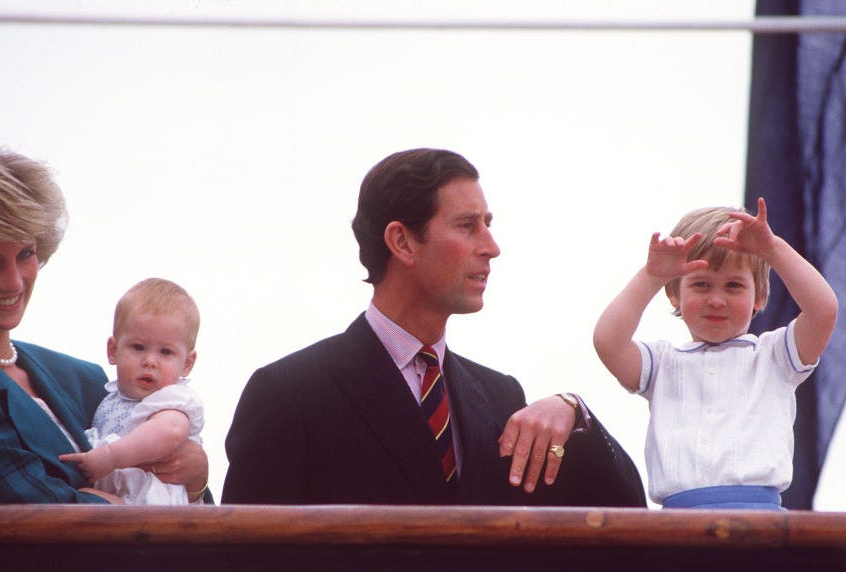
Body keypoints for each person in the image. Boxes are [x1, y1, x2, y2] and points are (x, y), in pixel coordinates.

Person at [222, 147, 645, 506]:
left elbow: (627, 515)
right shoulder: (288, 392)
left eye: (488, 224)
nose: (492, 247)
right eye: (467, 225)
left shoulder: (502, 397)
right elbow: (243, 571)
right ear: (402, 241)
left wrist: (574, 410)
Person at [0, 143, 209, 504]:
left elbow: (173, 503)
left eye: (25, 254)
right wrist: (115, 510)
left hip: (139, 559)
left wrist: (195, 480)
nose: (14, 282)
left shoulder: (85, 379)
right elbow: (18, 499)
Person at [593, 198, 838, 510]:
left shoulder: (774, 356)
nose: (717, 300)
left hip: (759, 520)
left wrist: (772, 249)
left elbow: (824, 311)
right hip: (676, 525)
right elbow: (608, 341)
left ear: (759, 297)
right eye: (702, 285)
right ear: (674, 295)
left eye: (734, 286)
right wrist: (652, 275)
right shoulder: (662, 365)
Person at [59, 278, 209, 504]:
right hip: (123, 491)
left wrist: (111, 456)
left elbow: (169, 431)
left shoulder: (173, 399)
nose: (150, 361)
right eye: (138, 347)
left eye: (165, 352)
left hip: (154, 500)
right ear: (113, 350)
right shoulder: (113, 398)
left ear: (187, 363)